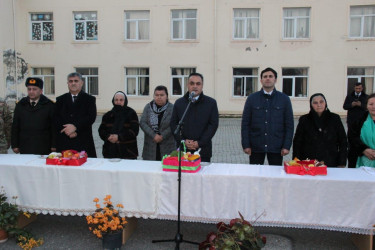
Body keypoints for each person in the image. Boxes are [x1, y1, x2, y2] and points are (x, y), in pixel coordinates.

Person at [241, 67, 294, 166]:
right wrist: (246, 145)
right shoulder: (252, 98)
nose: (268, 78)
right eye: (265, 77)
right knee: (255, 175)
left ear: (275, 80)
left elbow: (289, 125)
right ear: (261, 80)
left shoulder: (284, 99)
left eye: (271, 76)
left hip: (276, 146)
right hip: (256, 145)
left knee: (275, 177)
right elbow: (245, 124)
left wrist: (286, 146)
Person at [170, 72, 219, 162]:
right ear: (187, 85)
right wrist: (183, 141)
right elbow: (173, 124)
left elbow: (213, 125)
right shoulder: (179, 103)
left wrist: (199, 143)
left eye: (198, 84)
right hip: (183, 150)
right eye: (192, 83)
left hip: (203, 150)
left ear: (202, 86)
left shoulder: (211, 103)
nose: (195, 86)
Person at [293, 93, 347, 167]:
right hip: (308, 163)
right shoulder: (304, 120)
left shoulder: (335, 118)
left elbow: (343, 141)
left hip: (331, 162)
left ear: (325, 103)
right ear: (311, 105)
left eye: (321, 102)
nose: (319, 105)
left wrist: (342, 162)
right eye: (315, 103)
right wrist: (296, 162)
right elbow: (297, 143)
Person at [55, 72, 97, 157]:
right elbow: (56, 118)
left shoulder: (89, 99)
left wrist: (75, 128)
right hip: (65, 140)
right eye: (70, 81)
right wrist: (68, 130)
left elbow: (91, 117)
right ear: (67, 83)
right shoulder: (60, 100)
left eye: (76, 81)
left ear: (81, 83)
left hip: (83, 140)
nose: (73, 83)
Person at [11, 77, 56, 155]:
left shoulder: (49, 105)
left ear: (41, 91)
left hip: (43, 146)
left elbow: (54, 127)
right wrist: (15, 145)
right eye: (29, 89)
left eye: (34, 89)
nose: (31, 92)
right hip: (25, 145)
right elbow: (15, 126)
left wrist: (54, 145)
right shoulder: (21, 104)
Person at [98, 91, 139, 159]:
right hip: (110, 152)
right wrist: (108, 136)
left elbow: (134, 131)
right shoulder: (107, 115)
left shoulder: (131, 113)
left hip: (128, 152)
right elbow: (101, 130)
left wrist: (119, 137)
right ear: (113, 101)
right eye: (116, 100)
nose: (118, 102)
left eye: (121, 100)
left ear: (125, 101)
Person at [140, 86, 175, 161]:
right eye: (156, 95)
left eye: (162, 95)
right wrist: (154, 135)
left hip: (167, 146)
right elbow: (143, 123)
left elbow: (174, 124)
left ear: (166, 96)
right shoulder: (148, 107)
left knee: (167, 170)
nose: (159, 97)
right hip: (150, 146)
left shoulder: (172, 108)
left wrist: (162, 136)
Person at [343, 82, 368, 167]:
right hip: (352, 121)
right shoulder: (350, 96)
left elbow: (367, 107)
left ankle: (362, 152)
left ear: (362, 88)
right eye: (356, 89)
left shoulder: (366, 97)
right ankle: (351, 162)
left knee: (361, 138)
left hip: (362, 122)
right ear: (354, 88)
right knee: (352, 140)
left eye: (359, 89)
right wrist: (352, 104)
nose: (358, 90)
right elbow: (345, 106)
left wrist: (361, 105)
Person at [348, 93, 375, 168]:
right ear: (366, 105)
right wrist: (363, 149)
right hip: (361, 160)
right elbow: (352, 137)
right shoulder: (359, 120)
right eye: (371, 104)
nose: (374, 107)